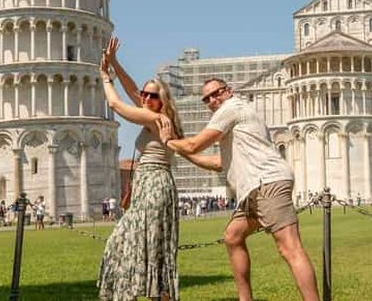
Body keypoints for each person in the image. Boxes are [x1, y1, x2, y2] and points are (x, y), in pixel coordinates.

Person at [159, 78, 319, 301]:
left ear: (229, 91)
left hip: (267, 183)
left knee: (290, 248)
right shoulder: (235, 121)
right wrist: (183, 150)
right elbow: (217, 163)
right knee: (233, 237)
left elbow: (195, 144)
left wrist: (169, 141)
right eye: (207, 99)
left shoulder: (231, 108)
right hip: (253, 190)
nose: (213, 100)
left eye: (217, 93)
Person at [97, 36, 182, 301]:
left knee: (123, 241)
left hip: (155, 185)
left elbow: (115, 104)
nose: (144, 98)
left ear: (162, 99)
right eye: (144, 94)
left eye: (151, 95)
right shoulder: (156, 116)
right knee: (152, 249)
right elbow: (133, 90)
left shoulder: (157, 118)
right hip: (151, 185)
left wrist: (105, 77)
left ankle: (131, 295)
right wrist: (115, 64)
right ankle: (155, 296)